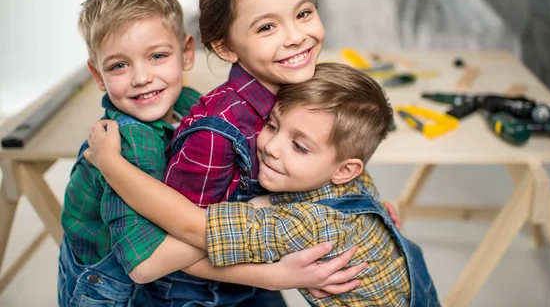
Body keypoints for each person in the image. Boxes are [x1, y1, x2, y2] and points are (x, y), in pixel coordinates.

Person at [59, 0, 362, 307]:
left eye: (157, 56)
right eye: (119, 65)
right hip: (108, 287)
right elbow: (144, 266)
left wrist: (362, 202)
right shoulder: (128, 145)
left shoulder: (191, 104)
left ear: (187, 53)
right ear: (98, 75)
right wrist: (272, 262)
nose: (142, 77)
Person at [85, 62, 441, 306]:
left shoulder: (309, 224)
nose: (270, 147)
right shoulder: (353, 180)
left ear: (344, 169)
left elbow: (188, 228)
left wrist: (110, 162)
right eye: (272, 125)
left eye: (299, 146)